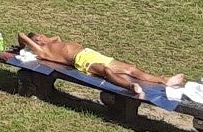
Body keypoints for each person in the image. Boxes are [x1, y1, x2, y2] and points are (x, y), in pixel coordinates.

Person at [16, 32, 184, 99]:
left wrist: (45, 37)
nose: (40, 38)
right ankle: (130, 86)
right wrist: (27, 45)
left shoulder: (54, 41)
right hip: (82, 61)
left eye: (40, 36)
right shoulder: (44, 52)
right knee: (106, 71)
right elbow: (21, 35)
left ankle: (164, 80)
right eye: (37, 39)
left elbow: (57, 37)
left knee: (131, 68)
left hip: (91, 53)